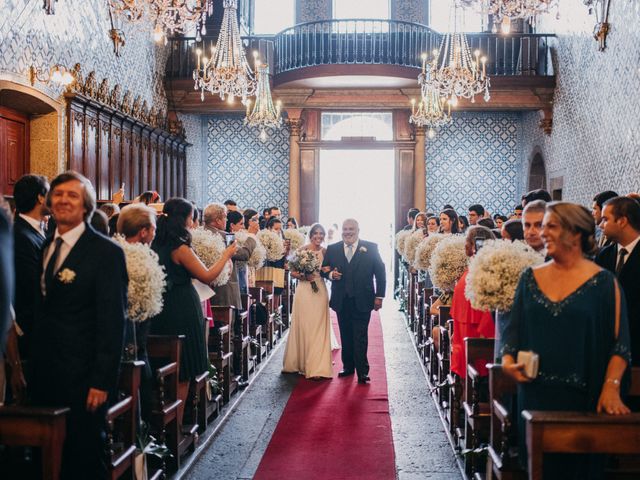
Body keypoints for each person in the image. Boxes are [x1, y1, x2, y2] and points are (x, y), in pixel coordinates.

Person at [500, 201, 631, 478]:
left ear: (575, 233)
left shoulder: (605, 283)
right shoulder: (529, 278)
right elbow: (513, 332)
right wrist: (509, 361)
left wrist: (611, 387)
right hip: (535, 396)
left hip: (585, 399)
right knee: (537, 469)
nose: (542, 233)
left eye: (551, 226)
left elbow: (620, 344)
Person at [30, 171, 128, 479]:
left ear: (86, 205)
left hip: (85, 377)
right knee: (48, 458)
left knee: (83, 457)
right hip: (47, 371)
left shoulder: (105, 252)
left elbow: (113, 321)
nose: (63, 201)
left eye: (72, 195)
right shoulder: (48, 247)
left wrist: (101, 380)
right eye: (57, 195)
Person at [150, 198, 236, 425]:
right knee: (184, 366)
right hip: (181, 309)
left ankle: (163, 423)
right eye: (192, 218)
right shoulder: (180, 248)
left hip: (160, 307)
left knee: (165, 363)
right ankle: (176, 425)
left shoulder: (155, 243)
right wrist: (225, 256)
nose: (194, 223)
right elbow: (207, 276)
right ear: (184, 219)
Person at [322, 219, 386, 384]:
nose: (348, 232)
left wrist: (379, 296)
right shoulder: (333, 248)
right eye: (345, 229)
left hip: (363, 299)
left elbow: (380, 272)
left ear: (358, 230)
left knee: (360, 335)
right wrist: (330, 275)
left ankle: (362, 371)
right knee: (345, 334)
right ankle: (348, 367)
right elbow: (324, 268)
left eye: (351, 229)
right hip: (341, 300)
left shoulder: (370, 248)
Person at [117, 204, 158, 421]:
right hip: (134, 340)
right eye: (153, 230)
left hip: (131, 339)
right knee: (143, 386)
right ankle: (139, 442)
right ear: (143, 231)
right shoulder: (143, 259)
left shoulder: (111, 249)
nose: (154, 235)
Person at [282, 224, 334, 380]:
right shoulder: (301, 250)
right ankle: (300, 361)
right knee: (304, 324)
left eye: (321, 233)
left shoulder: (326, 252)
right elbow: (292, 271)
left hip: (320, 290)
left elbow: (328, 270)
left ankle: (317, 365)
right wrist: (304, 276)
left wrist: (327, 272)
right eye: (315, 233)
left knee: (318, 326)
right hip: (304, 290)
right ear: (310, 235)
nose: (318, 236)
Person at [596, 196, 640, 367]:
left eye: (606, 219)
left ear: (622, 221)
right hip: (607, 346)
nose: (600, 225)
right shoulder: (604, 255)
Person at [450, 226, 496, 379]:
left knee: (473, 370)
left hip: (476, 332)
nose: (465, 244)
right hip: (463, 328)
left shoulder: (486, 271)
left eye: (467, 241)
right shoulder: (471, 268)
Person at [12, 174, 48, 358]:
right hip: (30, 329)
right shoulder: (21, 236)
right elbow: (31, 284)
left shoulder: (37, 231)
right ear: (40, 198)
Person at [204, 203, 248, 310]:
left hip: (205, 291)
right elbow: (243, 255)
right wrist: (251, 239)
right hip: (225, 291)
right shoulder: (227, 236)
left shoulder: (199, 235)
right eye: (225, 217)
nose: (227, 220)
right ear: (218, 220)